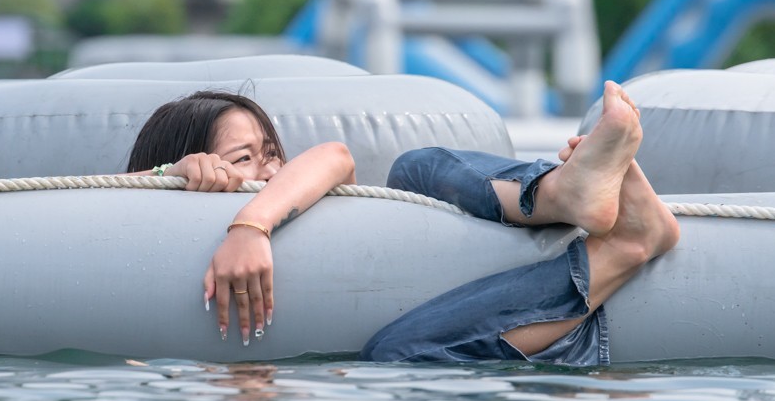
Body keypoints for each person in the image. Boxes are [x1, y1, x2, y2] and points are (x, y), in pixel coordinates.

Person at [126, 83, 680, 365]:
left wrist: (251, 225)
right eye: (246, 157)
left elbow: (336, 156)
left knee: (414, 166)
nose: (272, 168)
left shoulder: (281, 198)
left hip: (508, 233)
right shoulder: (186, 192)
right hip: (528, 337)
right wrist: (175, 178)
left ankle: (564, 193)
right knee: (395, 356)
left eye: (273, 151)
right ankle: (627, 246)